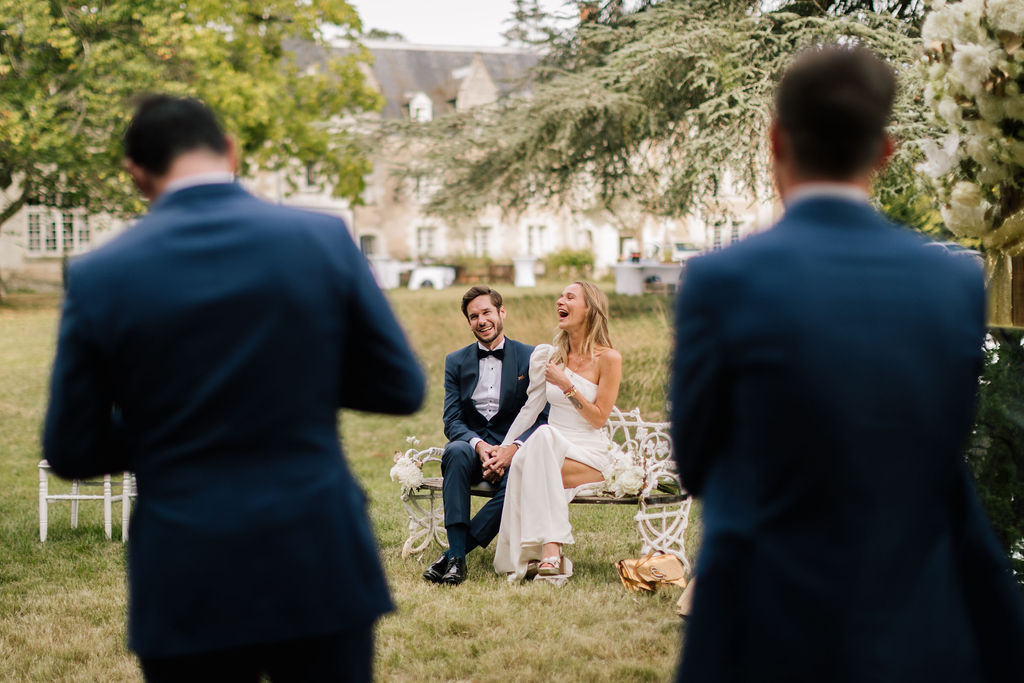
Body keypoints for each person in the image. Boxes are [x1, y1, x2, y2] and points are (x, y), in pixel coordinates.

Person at [670, 45, 1024, 682]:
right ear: (885, 151)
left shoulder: (719, 280)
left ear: (776, 139)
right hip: (908, 631)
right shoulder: (950, 286)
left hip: (758, 628)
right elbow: (939, 456)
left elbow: (695, 462)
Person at [43, 95, 425, 681]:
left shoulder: (101, 274)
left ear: (137, 174)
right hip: (316, 552)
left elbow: (72, 448)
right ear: (230, 151)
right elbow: (400, 387)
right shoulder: (321, 238)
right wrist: (288, 393)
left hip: (187, 568)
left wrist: (170, 421)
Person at [493, 281, 622, 581]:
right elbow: (531, 410)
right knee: (542, 441)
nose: (559, 300)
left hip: (588, 454)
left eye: (569, 296)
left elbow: (599, 419)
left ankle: (550, 553)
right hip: (550, 451)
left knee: (541, 444)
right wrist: (505, 447)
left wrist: (567, 385)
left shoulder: (609, 359)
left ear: (590, 309)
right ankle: (552, 552)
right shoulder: (550, 357)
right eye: (560, 295)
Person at [422, 285, 549, 586]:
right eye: (473, 316)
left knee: (521, 483)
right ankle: (457, 558)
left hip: (515, 452)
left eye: (486, 312)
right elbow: (451, 419)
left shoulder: (530, 357)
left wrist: (512, 449)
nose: (481, 321)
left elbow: (542, 417)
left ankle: (454, 555)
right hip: (473, 449)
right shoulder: (455, 361)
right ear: (468, 322)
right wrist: (478, 445)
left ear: (501, 312)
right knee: (454, 451)